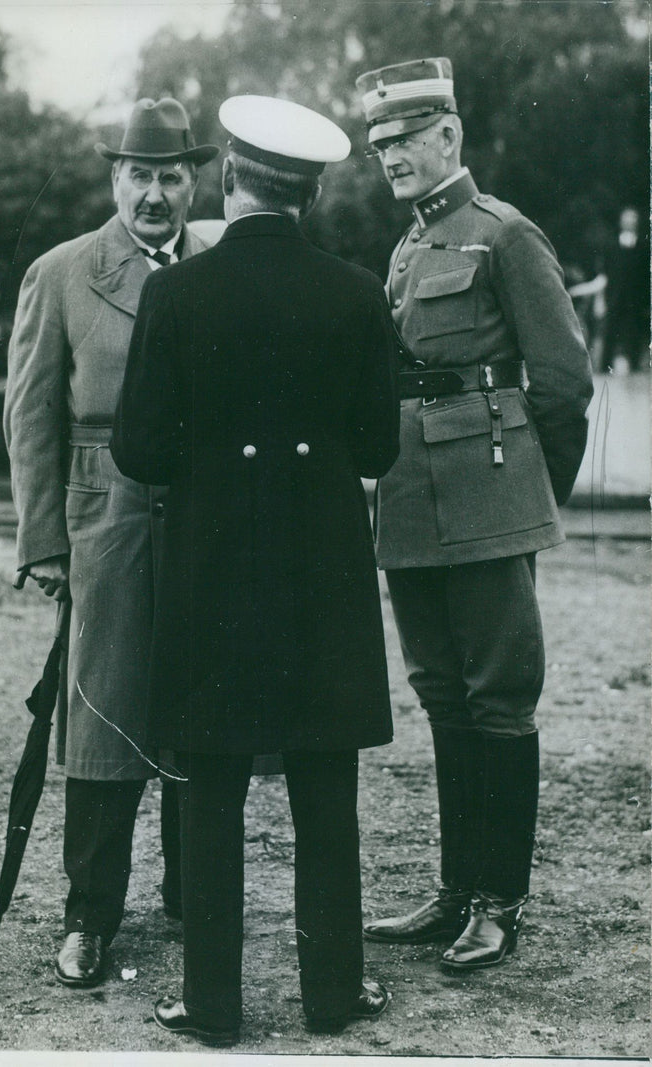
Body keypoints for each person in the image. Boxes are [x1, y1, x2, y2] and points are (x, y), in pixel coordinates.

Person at [111, 94, 400, 1045]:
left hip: (213, 568)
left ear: (228, 180)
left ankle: (214, 1001)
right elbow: (378, 447)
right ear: (310, 195)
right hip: (322, 569)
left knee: (213, 780)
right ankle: (333, 992)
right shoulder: (358, 292)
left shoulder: (175, 292)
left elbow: (141, 451)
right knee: (325, 780)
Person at [355, 58, 593, 970]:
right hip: (412, 499)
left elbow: (564, 381)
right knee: (443, 693)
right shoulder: (408, 248)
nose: (392, 158)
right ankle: (457, 890)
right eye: (381, 145)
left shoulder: (505, 235)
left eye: (407, 138)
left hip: (491, 498)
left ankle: (501, 898)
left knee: (499, 696)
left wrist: (534, 497)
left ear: (449, 134)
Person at [3, 98, 218, 988]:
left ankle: (191, 893)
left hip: (206, 513)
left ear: (195, 180)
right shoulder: (61, 273)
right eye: (140, 174)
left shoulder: (216, 266)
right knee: (101, 711)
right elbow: (30, 416)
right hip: (106, 516)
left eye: (172, 175)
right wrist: (45, 540)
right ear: (114, 178)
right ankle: (91, 914)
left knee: (201, 703)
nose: (157, 193)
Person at [600, 206, 650, 374]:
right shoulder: (611, 245)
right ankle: (603, 367)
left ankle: (634, 367)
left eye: (633, 219)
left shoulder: (643, 247)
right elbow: (605, 274)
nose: (630, 222)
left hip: (635, 299)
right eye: (627, 219)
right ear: (621, 222)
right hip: (614, 297)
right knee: (610, 333)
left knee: (634, 333)